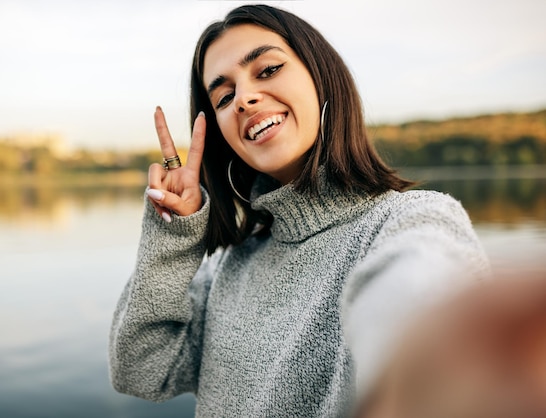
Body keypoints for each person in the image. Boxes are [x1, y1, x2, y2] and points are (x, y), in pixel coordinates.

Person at [108, 4, 490, 417]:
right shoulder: (229, 267)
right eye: (223, 95)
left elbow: (417, 295)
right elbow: (141, 370)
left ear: (321, 76)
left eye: (267, 70)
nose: (244, 98)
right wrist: (176, 232)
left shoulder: (409, 220)